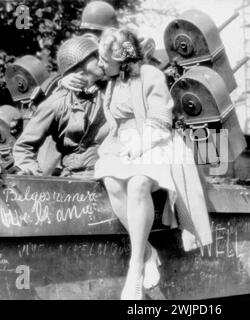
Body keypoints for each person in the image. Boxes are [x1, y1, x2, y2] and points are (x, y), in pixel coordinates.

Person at [95, 27, 212, 299]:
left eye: (104, 59)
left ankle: (134, 269)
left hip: (154, 141)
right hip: (123, 145)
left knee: (138, 184)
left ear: (120, 59)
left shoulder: (150, 75)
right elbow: (114, 124)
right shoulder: (111, 84)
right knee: (112, 181)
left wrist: (137, 147)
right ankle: (147, 253)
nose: (101, 64)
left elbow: (160, 121)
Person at [12, 36, 108, 178]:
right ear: (79, 64)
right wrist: (32, 173)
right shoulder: (57, 102)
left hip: (111, 174)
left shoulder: (111, 92)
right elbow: (23, 146)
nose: (101, 59)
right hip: (76, 181)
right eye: (94, 55)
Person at [61, 0, 156, 92]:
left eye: (97, 33)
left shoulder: (119, 50)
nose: (93, 38)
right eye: (88, 33)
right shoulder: (79, 52)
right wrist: (64, 80)